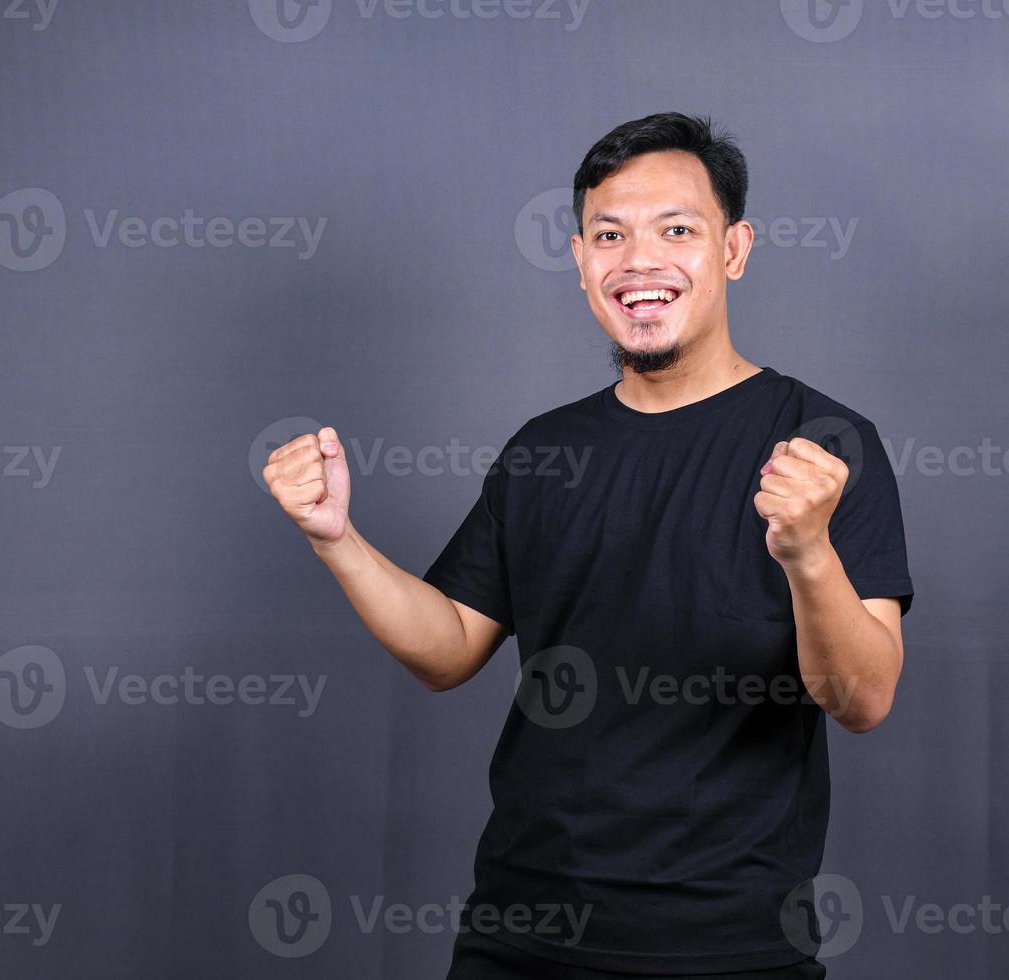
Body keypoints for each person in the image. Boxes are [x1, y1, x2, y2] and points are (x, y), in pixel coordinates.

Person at [262, 111, 914, 978]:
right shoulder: (545, 451)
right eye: (610, 235)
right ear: (580, 262)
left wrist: (807, 553)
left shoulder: (824, 441)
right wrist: (335, 540)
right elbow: (449, 647)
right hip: (520, 935)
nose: (639, 260)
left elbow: (862, 698)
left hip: (729, 949)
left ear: (735, 249)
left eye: (676, 230)